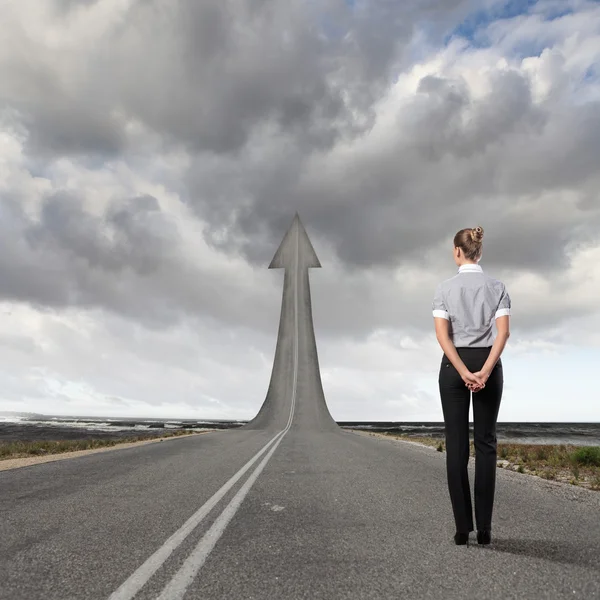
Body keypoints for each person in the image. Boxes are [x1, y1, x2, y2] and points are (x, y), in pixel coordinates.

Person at [432, 226, 511, 547]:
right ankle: (486, 530)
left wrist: (464, 372)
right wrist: (484, 371)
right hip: (489, 364)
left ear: (457, 252)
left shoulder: (443, 289)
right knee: (486, 444)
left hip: (454, 367)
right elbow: (503, 334)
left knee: (456, 445)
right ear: (480, 251)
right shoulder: (498, 287)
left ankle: (463, 528)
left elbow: (442, 337)